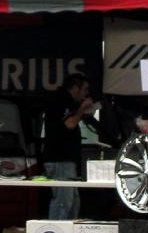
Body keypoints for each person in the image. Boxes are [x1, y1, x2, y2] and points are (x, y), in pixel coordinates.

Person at [42, 73, 96, 220]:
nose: (86, 94)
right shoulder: (61, 101)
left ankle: (68, 227)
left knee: (72, 203)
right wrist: (82, 108)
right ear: (75, 88)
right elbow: (69, 124)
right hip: (60, 159)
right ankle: (56, 228)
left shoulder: (69, 103)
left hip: (67, 161)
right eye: (85, 90)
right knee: (63, 202)